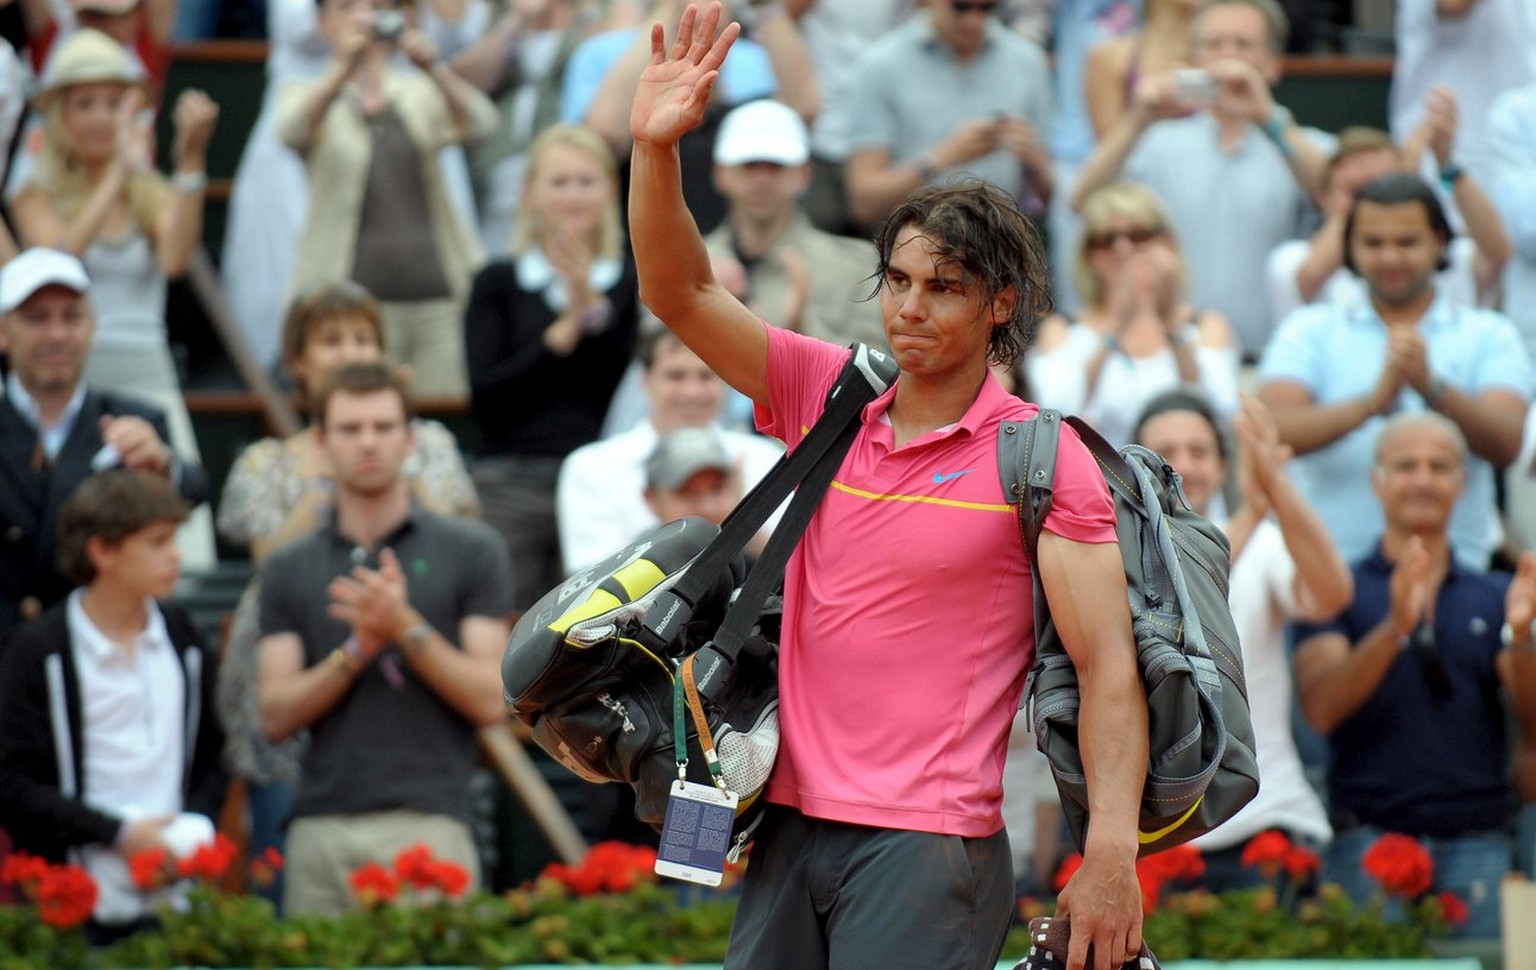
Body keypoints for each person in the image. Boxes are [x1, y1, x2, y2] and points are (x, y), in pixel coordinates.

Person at [628, 7, 1144, 968]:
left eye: (943, 287)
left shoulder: (1040, 456)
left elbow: (1108, 667)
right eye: (898, 280)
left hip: (928, 849)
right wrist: (655, 151)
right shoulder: (830, 395)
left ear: (1002, 305)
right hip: (783, 829)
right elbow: (680, 294)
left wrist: (1110, 849)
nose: (910, 307)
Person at [214, 281, 478, 909]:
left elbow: (461, 531)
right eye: (331, 340)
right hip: (296, 664)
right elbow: (270, 555)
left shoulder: (427, 442)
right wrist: (326, 472)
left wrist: (392, 459)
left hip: (418, 697)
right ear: (298, 361)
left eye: (363, 338)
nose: (348, 351)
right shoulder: (268, 461)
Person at [256, 361, 511, 916]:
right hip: (318, 825)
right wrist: (356, 651)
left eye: (383, 426)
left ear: (410, 438)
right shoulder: (285, 566)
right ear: (320, 443)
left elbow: (492, 698)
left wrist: (403, 626)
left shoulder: (473, 550)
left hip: (433, 821)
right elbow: (273, 714)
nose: (368, 442)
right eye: (349, 429)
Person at [1291, 412, 1536, 938]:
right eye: (1406, 466)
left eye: (1438, 466)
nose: (1423, 479)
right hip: (1366, 844)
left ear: (1462, 484)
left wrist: (1521, 637)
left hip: (1479, 843)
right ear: (1377, 481)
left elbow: (1531, 721)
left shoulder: (1496, 595)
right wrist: (1395, 628)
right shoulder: (1337, 590)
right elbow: (1320, 706)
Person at [11, 27, 219, 568]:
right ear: (60, 114)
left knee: (176, 524)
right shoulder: (34, 192)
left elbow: (175, 258)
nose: (101, 118)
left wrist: (190, 162)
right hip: (69, 376)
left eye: (113, 104)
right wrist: (120, 173)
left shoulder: (147, 192)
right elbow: (60, 260)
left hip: (149, 375)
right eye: (85, 104)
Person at [1258, 173, 1530, 571]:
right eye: (1373, 243)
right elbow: (1272, 429)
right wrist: (1370, 404)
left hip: (1459, 573)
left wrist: (1431, 386)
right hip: (1330, 578)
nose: (1390, 257)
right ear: (1350, 246)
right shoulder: (1308, 328)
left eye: (1407, 242)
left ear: (1439, 241)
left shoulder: (1488, 332)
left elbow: (1507, 443)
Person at [1133, 390, 1348, 889]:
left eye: (1199, 451)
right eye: (1165, 452)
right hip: (1158, 833)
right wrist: (1252, 513)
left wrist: (1278, 489)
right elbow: (1180, 579)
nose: (1182, 466)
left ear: (1223, 464)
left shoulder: (1267, 543)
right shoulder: (1111, 557)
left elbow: (1330, 595)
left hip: (1268, 822)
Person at [0, 469, 225, 942]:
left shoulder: (181, 635)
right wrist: (118, 833)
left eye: (174, 539)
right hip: (73, 908)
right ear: (102, 551)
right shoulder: (39, 649)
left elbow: (212, 752)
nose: (176, 555)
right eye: (158, 542)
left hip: (176, 899)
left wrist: (190, 831)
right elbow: (12, 782)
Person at [1070, 0, 1330, 357]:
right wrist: (1137, 119)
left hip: (1273, 360)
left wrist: (1267, 118)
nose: (1228, 57)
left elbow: (1340, 198)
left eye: (1243, 45)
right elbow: (1082, 200)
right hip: (1180, 359)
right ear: (1192, 59)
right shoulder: (1158, 141)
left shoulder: (1301, 143)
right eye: (1215, 44)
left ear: (1272, 64)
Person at [277, 0, 499, 400]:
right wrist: (340, 71)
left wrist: (434, 67)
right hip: (352, 312)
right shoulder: (306, 92)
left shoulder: (417, 92)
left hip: (437, 297)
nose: (364, 18)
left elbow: (484, 124)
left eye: (376, 7)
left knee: (441, 415)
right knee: (361, 414)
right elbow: (290, 133)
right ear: (323, 24)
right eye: (348, 7)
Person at [464, 121, 639, 609]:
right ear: (529, 193)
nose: (573, 196)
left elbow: (610, 382)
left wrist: (586, 298)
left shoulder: (626, 280)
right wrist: (562, 332)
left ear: (610, 190)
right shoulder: (496, 282)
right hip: (510, 481)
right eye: (559, 182)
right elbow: (487, 397)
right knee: (505, 624)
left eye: (586, 182)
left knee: (598, 623)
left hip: (600, 478)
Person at [0, 248, 208, 641]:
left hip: (105, 650)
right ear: (3, 332)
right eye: (37, 319)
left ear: (92, 327)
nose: (57, 334)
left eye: (71, 316)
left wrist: (162, 467)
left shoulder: (136, 421)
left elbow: (194, 490)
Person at [1266, 94, 1511, 327]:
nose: (1377, 200)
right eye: (1356, 190)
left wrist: (1448, 164)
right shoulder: (1290, 259)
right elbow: (1311, 276)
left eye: (1385, 183)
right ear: (1322, 197)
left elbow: (1497, 253)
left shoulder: (1442, 253)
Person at [1028, 181, 1239, 447]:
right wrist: (1117, 331)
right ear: (1088, 255)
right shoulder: (1062, 329)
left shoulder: (1204, 324)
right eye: (1106, 239)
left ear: (1167, 243)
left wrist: (1169, 327)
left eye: (1139, 236)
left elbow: (1220, 411)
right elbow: (1056, 413)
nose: (1123, 248)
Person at [556, 328, 783, 575]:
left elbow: (794, 563)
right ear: (645, 380)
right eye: (675, 376)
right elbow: (588, 582)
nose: (692, 392)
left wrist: (743, 518)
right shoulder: (591, 466)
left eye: (706, 376)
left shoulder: (765, 458)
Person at [842, 0, 1054, 232]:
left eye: (988, 8)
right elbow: (863, 203)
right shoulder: (882, 65)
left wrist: (1033, 157)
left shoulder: (1026, 61)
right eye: (961, 7)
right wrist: (939, 159)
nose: (975, 20)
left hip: (1001, 246)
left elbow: (1054, 196)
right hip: (913, 246)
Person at [703, 98, 885, 349]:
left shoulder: (856, 265)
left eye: (776, 166)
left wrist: (798, 335)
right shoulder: (692, 263)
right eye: (749, 165)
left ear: (804, 175)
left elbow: (879, 363)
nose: (762, 179)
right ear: (720, 174)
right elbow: (651, 354)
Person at [642, 425, 742, 529]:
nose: (707, 508)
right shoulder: (628, 543)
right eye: (686, 492)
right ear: (651, 499)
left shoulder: (756, 542)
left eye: (717, 489)